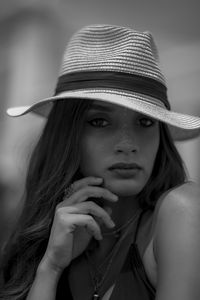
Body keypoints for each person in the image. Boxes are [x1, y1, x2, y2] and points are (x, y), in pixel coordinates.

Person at [1, 24, 200, 300]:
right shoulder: (49, 237)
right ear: (67, 136)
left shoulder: (182, 210)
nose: (128, 145)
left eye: (145, 121)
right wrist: (51, 267)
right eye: (99, 121)